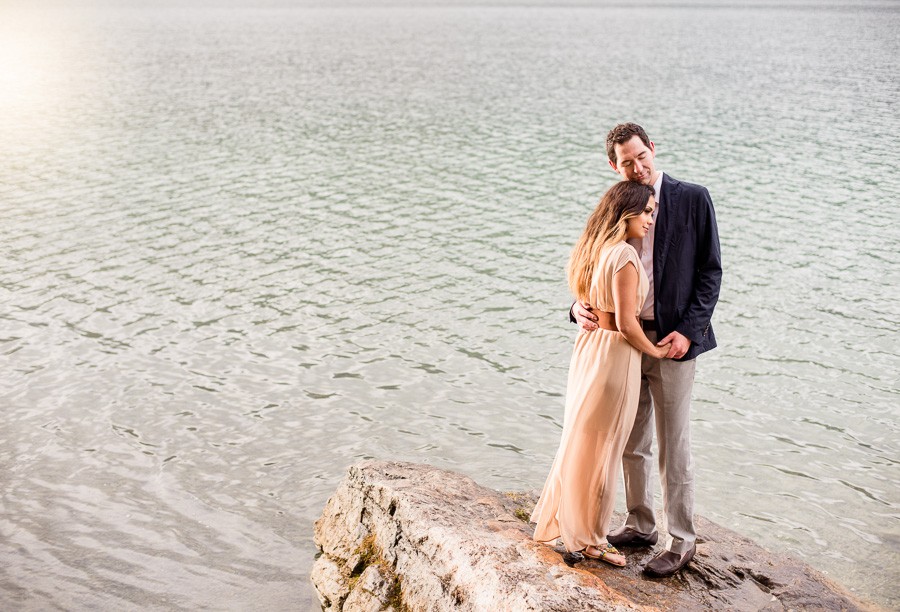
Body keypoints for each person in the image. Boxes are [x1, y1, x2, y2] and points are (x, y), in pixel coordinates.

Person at [572, 123, 722, 577]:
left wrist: (690, 332)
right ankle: (640, 524)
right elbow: (590, 263)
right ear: (613, 166)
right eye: (627, 162)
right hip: (622, 342)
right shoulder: (618, 202)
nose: (638, 168)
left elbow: (710, 273)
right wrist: (576, 307)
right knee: (630, 439)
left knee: (673, 444)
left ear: (653, 149)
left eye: (642, 157)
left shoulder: (693, 198)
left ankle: (682, 540)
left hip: (674, 341)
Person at [531, 181, 672, 568]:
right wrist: (656, 350)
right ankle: (593, 539)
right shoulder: (625, 256)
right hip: (615, 357)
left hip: (588, 352)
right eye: (645, 211)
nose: (650, 218)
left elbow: (586, 304)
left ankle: (569, 522)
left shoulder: (591, 250)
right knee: (606, 449)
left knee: (580, 439)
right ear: (626, 213)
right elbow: (628, 324)